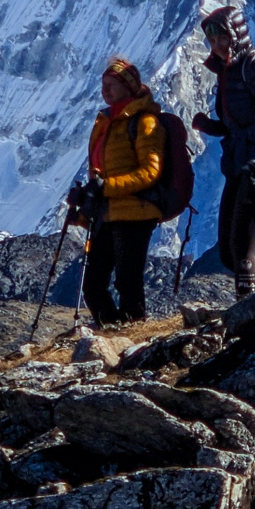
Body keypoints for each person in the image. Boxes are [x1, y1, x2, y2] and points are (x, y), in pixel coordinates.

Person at [192, 7, 255, 299]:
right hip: (240, 167)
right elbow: (242, 125)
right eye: (212, 41)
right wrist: (212, 126)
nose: (218, 46)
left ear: (236, 34)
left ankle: (248, 319)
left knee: (243, 250)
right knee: (228, 252)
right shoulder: (229, 72)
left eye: (222, 38)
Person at [71, 57, 165, 325]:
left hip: (136, 212)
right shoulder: (107, 123)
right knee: (93, 285)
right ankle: (113, 332)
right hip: (108, 213)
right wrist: (84, 206)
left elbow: (151, 172)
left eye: (112, 84)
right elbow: (100, 173)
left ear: (128, 86)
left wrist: (107, 187)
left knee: (127, 281)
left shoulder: (145, 122)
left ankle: (132, 334)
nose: (106, 90)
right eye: (103, 85)